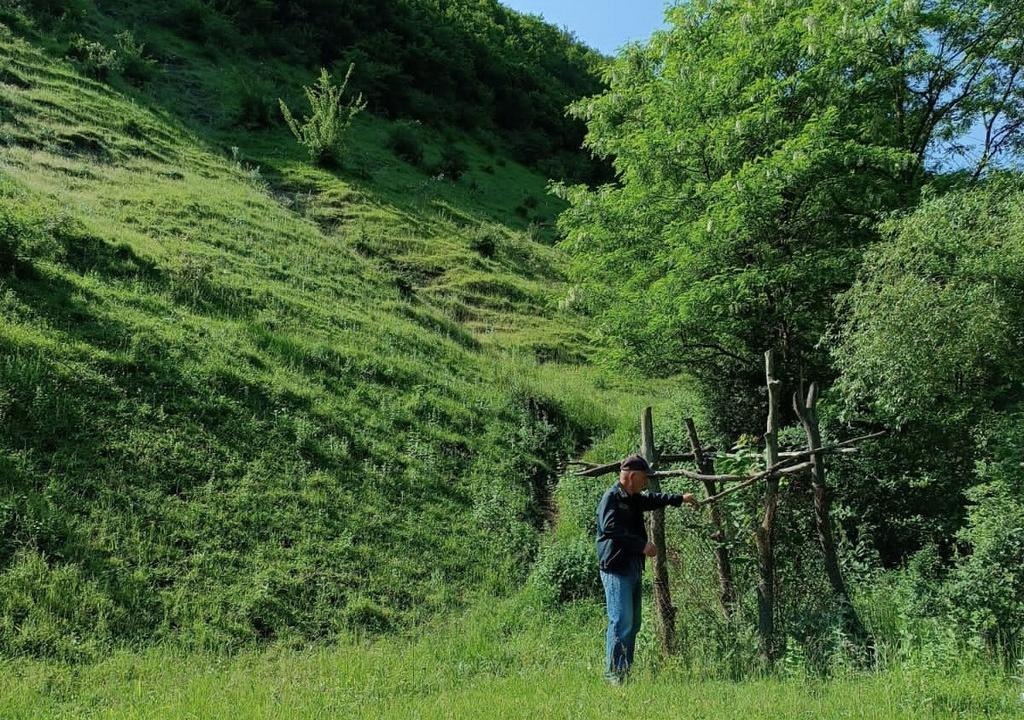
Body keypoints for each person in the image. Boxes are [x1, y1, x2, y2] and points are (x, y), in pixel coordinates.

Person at [595, 454, 697, 684]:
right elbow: (610, 529)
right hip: (616, 568)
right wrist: (641, 545)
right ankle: (614, 675)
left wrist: (680, 498)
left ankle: (624, 672)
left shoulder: (633, 497)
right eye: (644, 478)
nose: (646, 482)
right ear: (632, 476)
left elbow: (652, 499)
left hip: (632, 566)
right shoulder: (611, 498)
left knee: (633, 624)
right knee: (621, 621)